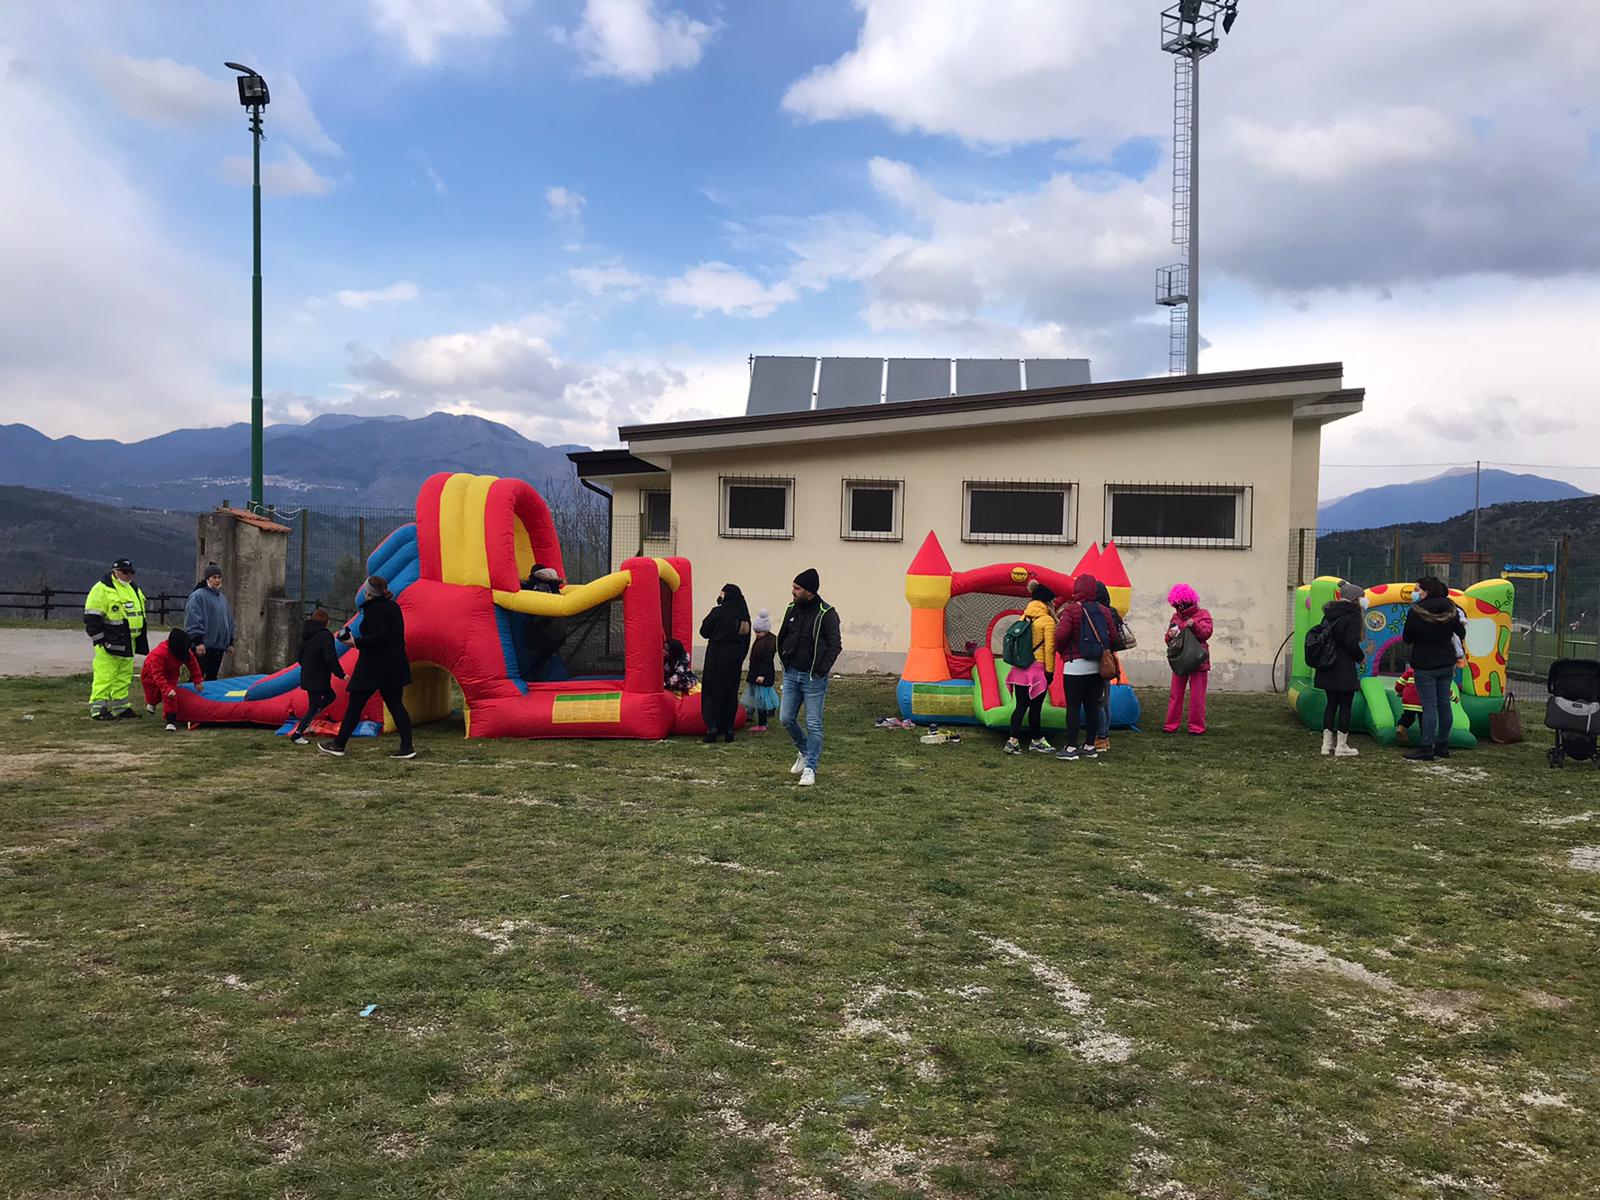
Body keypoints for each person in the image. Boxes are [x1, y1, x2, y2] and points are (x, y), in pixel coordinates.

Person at [319, 575, 415, 760]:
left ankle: (339, 744)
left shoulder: (375, 611)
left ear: (368, 593)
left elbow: (379, 636)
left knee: (355, 705)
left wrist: (355, 642)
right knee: (396, 705)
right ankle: (407, 746)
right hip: (395, 664)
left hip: (374, 665)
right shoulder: (393, 607)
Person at [777, 568, 842, 788]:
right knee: (786, 718)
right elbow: (783, 635)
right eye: (793, 587)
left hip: (813, 678)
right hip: (791, 673)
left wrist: (822, 670)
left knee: (814, 724)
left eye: (797, 588)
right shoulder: (791, 608)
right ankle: (805, 751)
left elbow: (835, 645)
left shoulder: (827, 613)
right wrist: (785, 661)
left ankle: (810, 768)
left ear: (810, 591)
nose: (792, 591)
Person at [1052, 574, 1118, 762]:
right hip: (1098, 666)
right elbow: (1112, 637)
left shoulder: (1072, 610)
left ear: (1077, 589)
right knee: (1092, 706)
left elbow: (1060, 636)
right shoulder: (1104, 611)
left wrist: (1063, 650)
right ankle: (1090, 746)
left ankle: (1071, 747)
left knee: (1073, 707)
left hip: (1075, 666)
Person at [1402, 575, 1467, 762]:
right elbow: (1460, 632)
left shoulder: (1416, 612)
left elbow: (1407, 638)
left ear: (1426, 591)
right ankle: (1442, 744)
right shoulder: (1451, 608)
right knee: (1444, 704)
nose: (1414, 593)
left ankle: (1426, 746)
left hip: (1424, 664)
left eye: (1417, 589)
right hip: (1446, 662)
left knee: (1429, 706)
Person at [83, 558, 149, 719]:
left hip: (129, 642)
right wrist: (100, 641)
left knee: (124, 676)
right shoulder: (102, 589)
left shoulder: (133, 588)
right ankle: (99, 709)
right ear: (115, 571)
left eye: (131, 572)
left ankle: (121, 707)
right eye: (124, 572)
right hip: (109, 643)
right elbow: (91, 619)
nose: (128, 575)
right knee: (104, 676)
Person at [1003, 579, 1056, 756]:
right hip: (1037, 670)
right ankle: (1036, 740)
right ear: (1047, 602)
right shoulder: (1047, 621)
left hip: (1019, 669)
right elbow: (1049, 647)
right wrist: (1050, 670)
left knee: (1020, 706)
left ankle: (1013, 741)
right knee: (1035, 707)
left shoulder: (1024, 617)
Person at [1314, 582, 1366, 757]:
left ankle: (1326, 745)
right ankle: (1341, 746)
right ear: (1354, 599)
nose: (1363, 601)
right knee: (1345, 705)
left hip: (1328, 664)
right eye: (1361, 597)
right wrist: (1361, 656)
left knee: (1331, 704)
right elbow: (1350, 643)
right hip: (1344, 667)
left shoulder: (1328, 614)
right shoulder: (1353, 616)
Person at [699, 583, 752, 743]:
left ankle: (712, 727)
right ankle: (728, 729)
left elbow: (704, 631)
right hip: (733, 657)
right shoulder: (743, 616)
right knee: (730, 693)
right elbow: (746, 640)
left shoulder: (718, 612)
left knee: (710, 691)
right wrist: (738, 657)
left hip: (716, 654)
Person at [1163, 584, 1214, 736]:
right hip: (1180, 660)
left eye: (1180, 605)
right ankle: (1171, 725)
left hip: (1198, 660)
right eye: (1176, 605)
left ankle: (1196, 727)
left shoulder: (1203, 614)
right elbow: (1169, 640)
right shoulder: (1176, 617)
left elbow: (1206, 633)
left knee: (1197, 696)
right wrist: (1169, 636)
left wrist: (1195, 626)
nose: (1178, 608)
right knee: (1175, 694)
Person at [290, 609, 346, 745]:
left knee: (328, 697)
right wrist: (341, 674)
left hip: (308, 674)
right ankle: (298, 733)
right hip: (319, 676)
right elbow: (330, 657)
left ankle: (307, 721)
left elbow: (300, 657)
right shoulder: (325, 636)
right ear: (326, 622)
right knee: (315, 705)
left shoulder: (306, 635)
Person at [140, 628, 203, 731]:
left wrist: (197, 680)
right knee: (152, 694)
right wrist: (166, 689)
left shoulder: (185, 652)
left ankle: (171, 721)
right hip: (150, 673)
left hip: (171, 673)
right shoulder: (159, 654)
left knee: (171, 697)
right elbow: (157, 675)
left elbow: (193, 665)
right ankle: (151, 703)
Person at [184, 563, 235, 680]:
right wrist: (198, 642)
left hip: (218, 647)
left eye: (219, 577)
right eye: (214, 577)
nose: (217, 580)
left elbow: (228, 621)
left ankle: (207, 699)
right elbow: (193, 620)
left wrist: (230, 642)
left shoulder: (222, 599)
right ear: (208, 579)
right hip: (203, 646)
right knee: (197, 676)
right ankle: (188, 698)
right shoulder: (197, 596)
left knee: (212, 677)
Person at [521, 563, 567, 682]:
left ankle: (537, 682)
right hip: (558, 634)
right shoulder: (554, 589)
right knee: (545, 659)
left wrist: (532, 622)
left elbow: (543, 615)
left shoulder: (541, 589)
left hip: (546, 635)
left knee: (539, 661)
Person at [743, 609, 779, 732]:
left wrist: (762, 674)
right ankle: (750, 713)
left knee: (761, 699)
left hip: (761, 675)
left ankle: (763, 723)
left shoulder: (768, 644)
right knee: (755, 695)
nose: (757, 634)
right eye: (755, 632)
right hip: (755, 673)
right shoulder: (761, 641)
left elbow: (766, 661)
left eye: (759, 632)